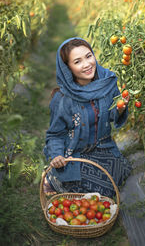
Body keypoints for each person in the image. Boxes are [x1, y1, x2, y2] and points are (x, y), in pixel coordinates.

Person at [43, 37, 132, 198]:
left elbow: (111, 116)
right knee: (97, 192)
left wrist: (120, 108)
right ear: (67, 68)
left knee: (121, 172)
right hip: (75, 153)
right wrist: (57, 155)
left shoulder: (107, 82)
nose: (87, 64)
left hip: (102, 148)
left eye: (89, 56)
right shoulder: (63, 98)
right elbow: (55, 134)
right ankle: (53, 179)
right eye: (77, 62)